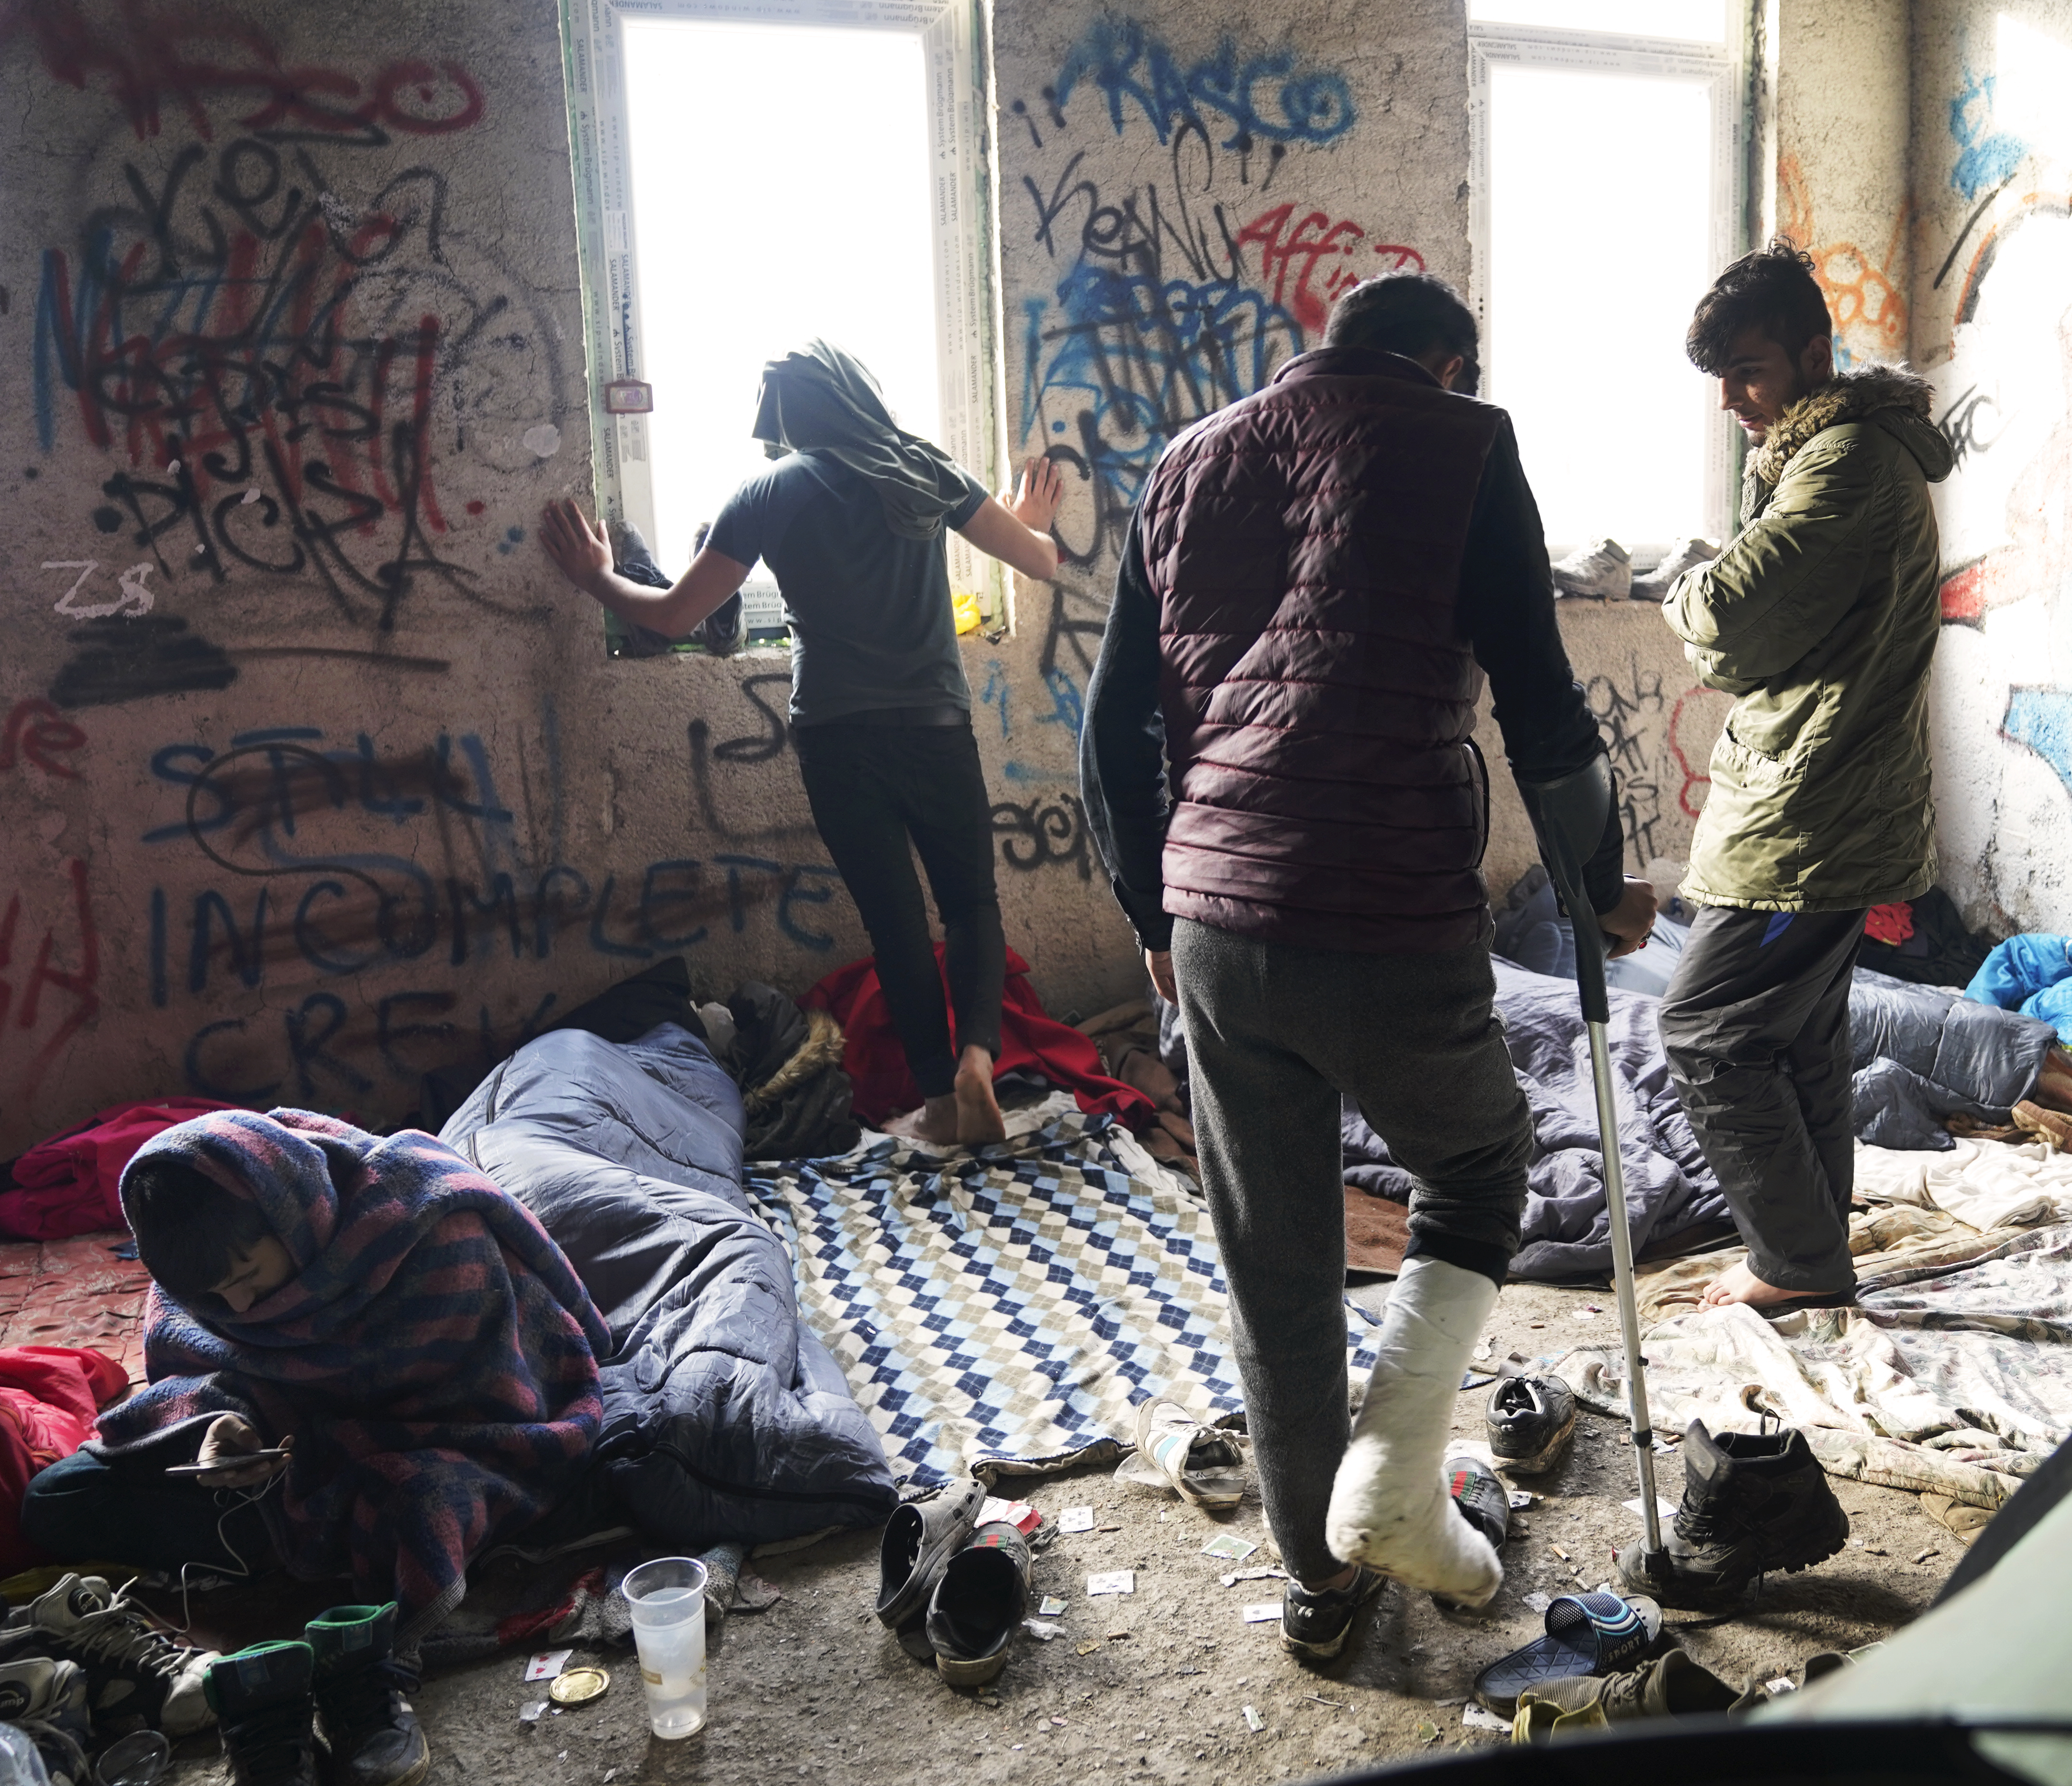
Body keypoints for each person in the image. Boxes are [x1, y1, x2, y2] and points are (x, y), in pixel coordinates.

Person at [1081, 272, 1655, 1658]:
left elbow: (1112, 729)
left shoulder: (1185, 462)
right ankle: (1394, 1478)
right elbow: (1539, 697)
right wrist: (1595, 885)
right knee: (1478, 1166)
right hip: (1385, 899)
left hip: (1216, 921)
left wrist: (1154, 917)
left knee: (1274, 1264)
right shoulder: (1464, 440)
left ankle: (1316, 1586)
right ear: (1448, 363)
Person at [540, 342, 1064, 1145]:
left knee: (895, 923)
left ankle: (936, 1099)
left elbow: (674, 617)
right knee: (970, 905)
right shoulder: (923, 468)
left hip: (837, 738)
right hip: (936, 728)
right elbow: (1040, 562)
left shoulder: (766, 492)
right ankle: (977, 1063)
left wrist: (596, 579)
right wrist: (1030, 525)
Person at [22, 1107, 611, 1783]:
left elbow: (495, 1402)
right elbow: (202, 1368)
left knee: (417, 1505)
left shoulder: (427, 1231)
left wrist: (317, 1445)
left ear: (286, 1217)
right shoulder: (202, 1263)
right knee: (58, 1499)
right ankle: (319, 1560)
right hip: (291, 1466)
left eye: (249, 1275)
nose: (240, 1309)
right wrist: (226, 1425)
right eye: (214, 1296)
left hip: (452, 1446)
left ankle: (365, 1659)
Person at [1655, 241, 1956, 1310]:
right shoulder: (1827, 455)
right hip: (1822, 799)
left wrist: (1684, 592)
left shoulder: (1842, 465)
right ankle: (1811, 1252)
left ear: (1814, 356)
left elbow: (1730, 620)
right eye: (1721, 378)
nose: (1732, 399)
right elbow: (1759, 640)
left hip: (1808, 812)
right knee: (1799, 1042)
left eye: (1750, 371)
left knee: (1707, 1032)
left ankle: (1795, 1261)